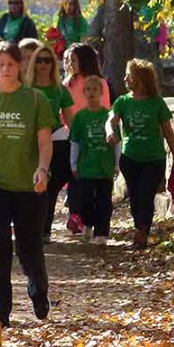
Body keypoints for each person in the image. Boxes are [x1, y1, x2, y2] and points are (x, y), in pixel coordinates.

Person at [0, 41, 54, 327]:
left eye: (11, 65)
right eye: (0, 64)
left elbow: (44, 140)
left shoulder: (36, 100)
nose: (5, 70)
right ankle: (0, 311)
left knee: (28, 247)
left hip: (28, 186)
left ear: (20, 67)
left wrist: (42, 169)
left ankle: (38, 289)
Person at [108, 59, 174, 249]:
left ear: (140, 79)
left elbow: (168, 132)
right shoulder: (123, 102)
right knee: (135, 194)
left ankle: (143, 230)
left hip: (154, 158)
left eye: (129, 76)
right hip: (130, 158)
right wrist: (110, 132)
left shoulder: (156, 103)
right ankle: (139, 228)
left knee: (146, 194)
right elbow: (111, 120)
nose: (125, 79)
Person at [24, 44, 76, 242]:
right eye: (39, 60)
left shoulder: (59, 90)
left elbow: (70, 120)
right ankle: (30, 227)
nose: (43, 65)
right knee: (30, 186)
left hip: (56, 139)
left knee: (50, 186)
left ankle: (45, 228)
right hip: (30, 141)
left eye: (47, 60)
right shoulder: (26, 88)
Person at [70, 76, 119, 245]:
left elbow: (117, 142)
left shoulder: (109, 115)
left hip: (104, 166)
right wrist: (74, 164)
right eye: (88, 89)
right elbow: (75, 142)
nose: (91, 93)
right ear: (84, 93)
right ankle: (88, 224)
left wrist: (117, 163)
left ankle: (102, 233)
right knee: (86, 200)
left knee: (104, 201)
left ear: (101, 92)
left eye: (95, 89)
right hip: (86, 166)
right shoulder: (79, 117)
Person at [63, 43, 111, 117]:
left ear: (84, 61)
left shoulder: (100, 82)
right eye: (69, 60)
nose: (70, 64)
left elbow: (104, 107)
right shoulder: (68, 83)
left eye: (73, 60)